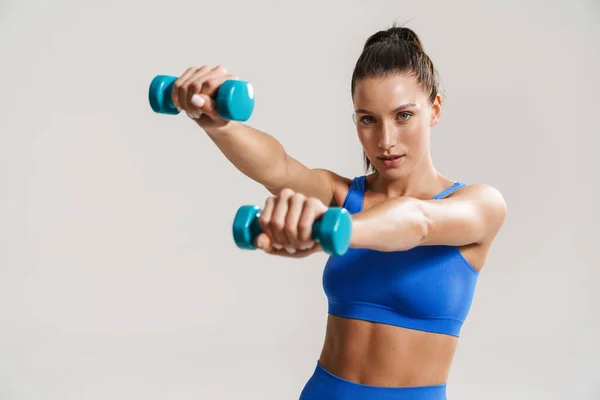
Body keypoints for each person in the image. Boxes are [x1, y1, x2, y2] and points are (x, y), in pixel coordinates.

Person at [171, 26, 507, 400]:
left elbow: (419, 222)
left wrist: (326, 230)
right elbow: (278, 169)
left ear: (435, 110)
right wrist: (219, 124)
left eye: (403, 116)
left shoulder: (480, 205)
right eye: (368, 119)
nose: (386, 140)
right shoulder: (343, 196)